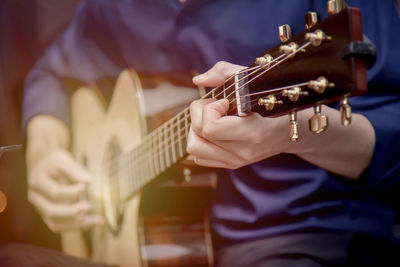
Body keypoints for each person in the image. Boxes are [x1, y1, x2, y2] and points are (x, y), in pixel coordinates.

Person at [20, 0, 400, 266]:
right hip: (154, 247)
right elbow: (51, 75)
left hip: (298, 232)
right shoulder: (110, 8)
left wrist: (294, 131)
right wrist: (43, 150)